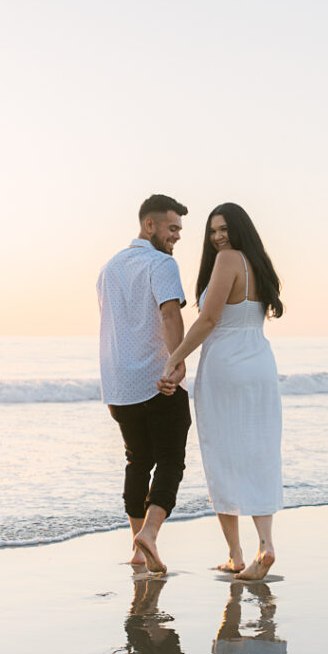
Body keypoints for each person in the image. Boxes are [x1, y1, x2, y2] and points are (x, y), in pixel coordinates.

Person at [160, 202, 284, 581]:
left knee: (222, 456)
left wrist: (175, 358)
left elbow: (210, 319)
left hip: (226, 367)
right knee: (260, 454)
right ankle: (265, 544)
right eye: (213, 231)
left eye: (225, 229)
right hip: (261, 363)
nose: (218, 237)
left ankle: (235, 555)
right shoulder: (259, 264)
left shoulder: (227, 260)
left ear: (239, 229)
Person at [97, 194, 190, 574]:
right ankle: (149, 534)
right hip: (156, 381)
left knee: (137, 461)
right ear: (149, 225)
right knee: (170, 460)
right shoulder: (161, 263)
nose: (177, 237)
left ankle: (137, 547)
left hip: (118, 386)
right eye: (172, 228)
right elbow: (169, 314)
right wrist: (176, 362)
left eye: (180, 230)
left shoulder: (109, 268)